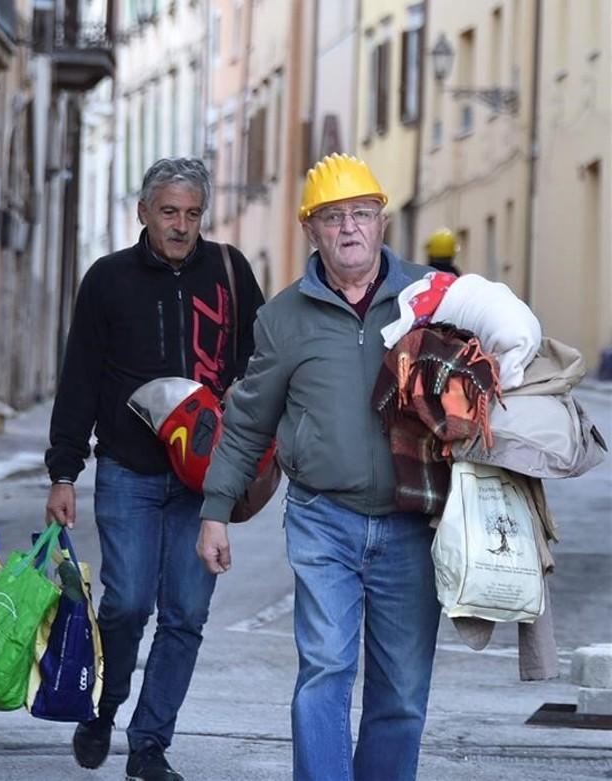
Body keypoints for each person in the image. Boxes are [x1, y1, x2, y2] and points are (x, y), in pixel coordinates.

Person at [197, 153, 440, 781]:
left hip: (414, 525)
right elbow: (248, 420)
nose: (350, 228)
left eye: (361, 213)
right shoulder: (282, 319)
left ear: (382, 220)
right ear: (312, 231)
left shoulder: (429, 300)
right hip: (322, 519)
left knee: (403, 690)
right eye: (334, 218)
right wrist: (216, 511)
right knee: (325, 670)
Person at [45, 158, 265, 781]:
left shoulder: (229, 270)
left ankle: (149, 746)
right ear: (143, 212)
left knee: (186, 615)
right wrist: (64, 471)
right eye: (169, 212)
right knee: (126, 604)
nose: (181, 226)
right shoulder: (108, 280)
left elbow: (260, 357)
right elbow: (80, 378)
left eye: (193, 214)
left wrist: (248, 424)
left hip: (209, 479)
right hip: (128, 470)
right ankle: (104, 706)